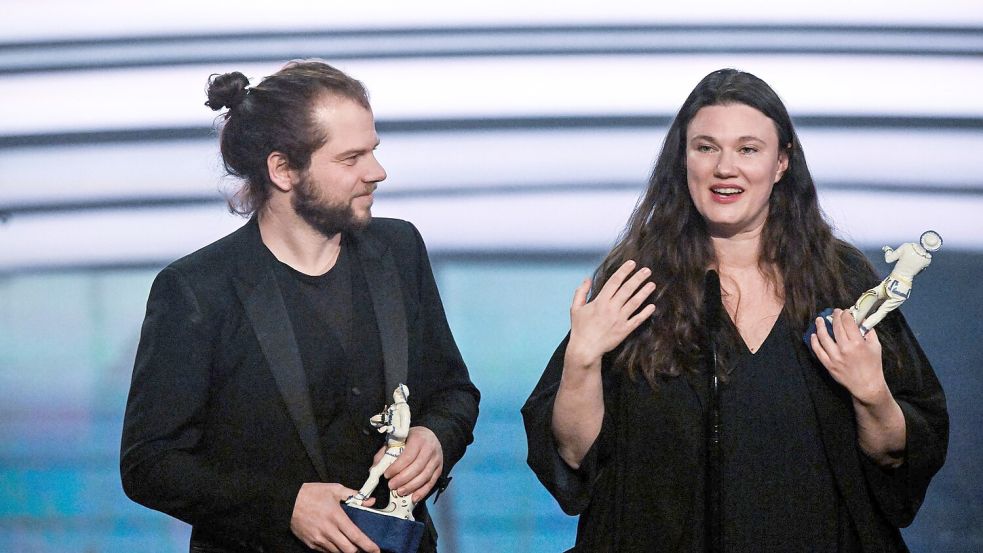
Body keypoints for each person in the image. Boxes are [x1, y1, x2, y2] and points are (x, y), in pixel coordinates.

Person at [522, 69, 948, 552]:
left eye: (748, 149)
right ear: (683, 159)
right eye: (706, 147)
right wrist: (582, 359)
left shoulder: (840, 280)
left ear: (782, 162)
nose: (725, 168)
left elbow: (901, 452)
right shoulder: (637, 282)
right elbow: (574, 456)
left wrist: (872, 394)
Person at [121, 60, 480, 553]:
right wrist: (284, 505)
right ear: (283, 170)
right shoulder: (196, 289)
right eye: (351, 158)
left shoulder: (399, 250)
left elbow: (453, 392)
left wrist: (435, 438)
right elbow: (150, 463)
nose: (377, 172)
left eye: (373, 150)